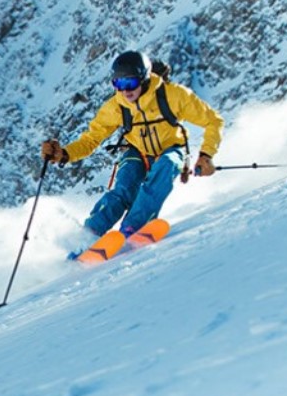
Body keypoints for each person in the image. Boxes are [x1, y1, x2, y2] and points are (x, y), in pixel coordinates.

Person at [41, 50, 224, 254]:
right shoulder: (117, 106)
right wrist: (64, 154)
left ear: (144, 79)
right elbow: (92, 139)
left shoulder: (174, 96)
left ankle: (133, 227)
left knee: (167, 166)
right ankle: (90, 234)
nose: (125, 91)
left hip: (171, 148)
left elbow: (213, 121)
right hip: (137, 151)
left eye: (130, 83)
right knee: (124, 190)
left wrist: (206, 155)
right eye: (119, 84)